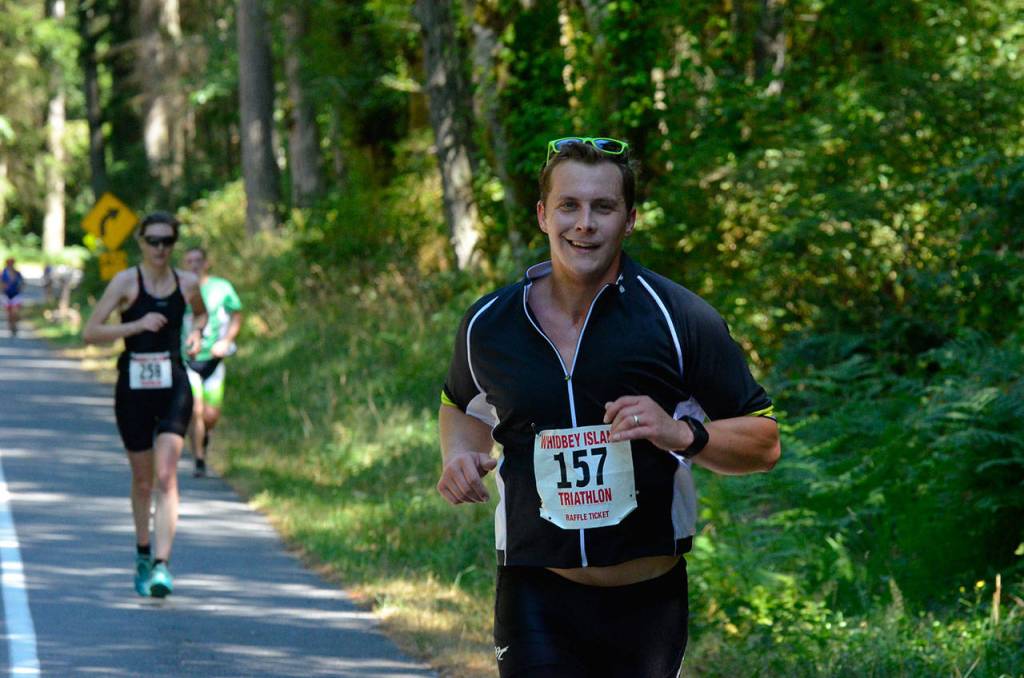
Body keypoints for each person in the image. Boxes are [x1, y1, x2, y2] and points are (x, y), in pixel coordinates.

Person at [437, 137, 781, 677]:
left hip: (646, 606)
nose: (585, 224)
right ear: (543, 215)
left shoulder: (679, 318)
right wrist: (459, 454)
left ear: (630, 219)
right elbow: (461, 403)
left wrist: (682, 433)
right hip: (535, 590)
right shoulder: (490, 323)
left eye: (604, 207)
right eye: (569, 206)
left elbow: (765, 441)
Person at [83, 212, 207, 598]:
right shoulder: (125, 282)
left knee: (167, 475)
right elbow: (90, 332)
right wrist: (134, 326)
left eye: (167, 241)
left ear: (174, 244)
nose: (160, 248)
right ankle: (142, 550)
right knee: (143, 479)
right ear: (141, 242)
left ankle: (161, 566)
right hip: (133, 387)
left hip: (174, 385)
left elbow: (200, 314)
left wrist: (197, 336)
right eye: (153, 240)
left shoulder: (186, 283)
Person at [181, 246, 243, 478]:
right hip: (188, 359)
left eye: (198, 260)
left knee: (210, 415)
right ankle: (199, 460)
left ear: (206, 263)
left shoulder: (222, 288)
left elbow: (237, 314)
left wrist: (227, 340)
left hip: (214, 360)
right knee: (195, 409)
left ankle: (202, 439)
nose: (194, 265)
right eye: (189, 261)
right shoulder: (180, 287)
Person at [2, 257, 25, 337]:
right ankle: (11, 327)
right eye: (9, 263)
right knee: (9, 313)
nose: (10, 265)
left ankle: (15, 325)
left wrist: (20, 288)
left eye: (12, 263)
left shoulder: (17, 273)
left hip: (16, 294)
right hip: (6, 295)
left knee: (15, 312)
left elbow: (23, 283)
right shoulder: (3, 273)